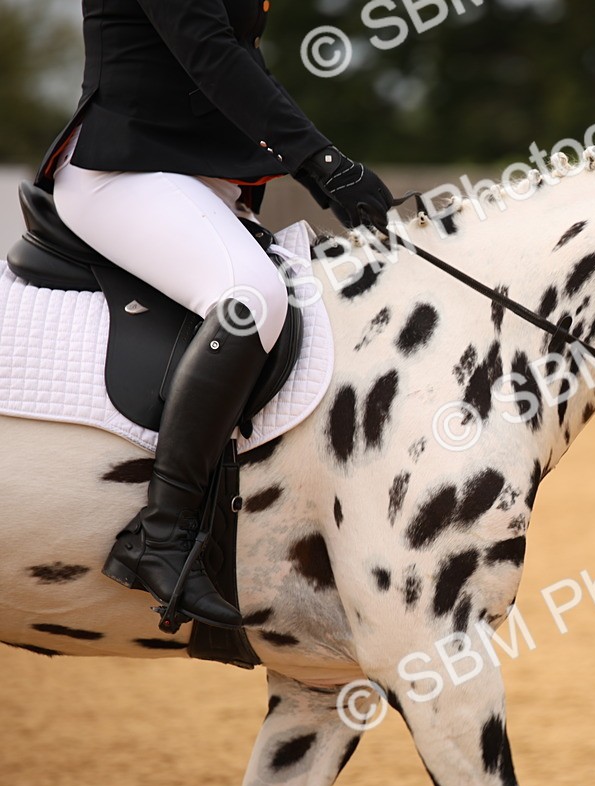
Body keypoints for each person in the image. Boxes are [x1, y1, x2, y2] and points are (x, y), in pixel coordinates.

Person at [35, 0, 396, 629]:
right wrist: (322, 163)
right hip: (121, 169)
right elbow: (208, 51)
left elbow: (243, 61)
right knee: (250, 298)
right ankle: (160, 533)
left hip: (191, 174)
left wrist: (318, 168)